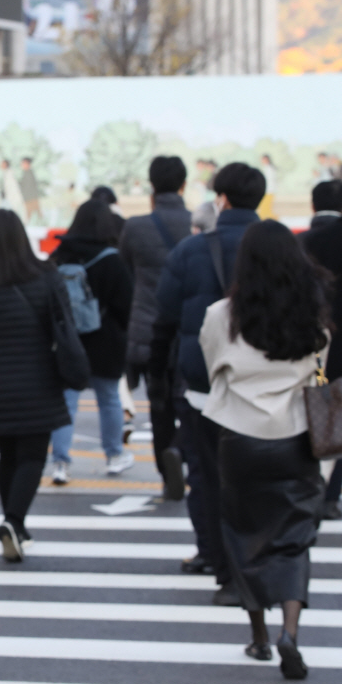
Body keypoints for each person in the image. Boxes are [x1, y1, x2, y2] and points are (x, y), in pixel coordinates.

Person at [199, 220, 329, 679]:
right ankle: (289, 633)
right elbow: (319, 369)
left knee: (243, 534)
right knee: (294, 538)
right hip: (296, 436)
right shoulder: (311, 313)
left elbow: (212, 367)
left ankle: (258, 638)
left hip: (240, 437)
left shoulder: (221, 315)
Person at [152, 162, 265, 605]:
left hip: (204, 385)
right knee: (259, 479)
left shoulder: (191, 251)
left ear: (222, 199)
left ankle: (220, 564)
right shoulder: (280, 247)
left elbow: (165, 315)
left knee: (208, 475)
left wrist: (160, 376)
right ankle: (258, 564)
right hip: (266, 388)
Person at [0, 210, 72, 561]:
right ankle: (13, 521)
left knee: (8, 455)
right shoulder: (46, 276)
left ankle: (16, 527)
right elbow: (64, 323)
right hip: (40, 378)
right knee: (33, 456)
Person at [119, 156, 192, 500]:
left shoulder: (135, 228)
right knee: (193, 402)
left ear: (151, 185)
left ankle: (166, 475)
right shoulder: (196, 224)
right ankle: (181, 449)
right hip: (191, 330)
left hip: (149, 330)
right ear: (183, 185)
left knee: (159, 405)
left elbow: (127, 275)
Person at [48, 199, 134, 482]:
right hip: (107, 341)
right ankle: (114, 456)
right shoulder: (113, 259)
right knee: (109, 400)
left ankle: (60, 463)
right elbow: (126, 306)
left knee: (67, 403)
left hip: (70, 342)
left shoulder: (61, 255)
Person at [302, 191, 342, 521]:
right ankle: (330, 496)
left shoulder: (311, 242)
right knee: (340, 418)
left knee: (325, 416)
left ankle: (319, 491)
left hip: (321, 346)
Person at [20, 158, 42, 223]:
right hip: (29, 198)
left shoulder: (29, 173)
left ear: (28, 164)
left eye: (24, 163)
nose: (22, 165)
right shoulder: (25, 173)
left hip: (31, 198)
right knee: (29, 215)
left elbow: (29, 187)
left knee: (35, 214)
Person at [257, 154, 277, 220]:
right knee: (264, 208)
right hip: (268, 191)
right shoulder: (267, 168)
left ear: (267, 160)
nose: (262, 161)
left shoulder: (269, 169)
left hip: (268, 191)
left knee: (265, 208)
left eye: (263, 159)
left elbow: (268, 180)